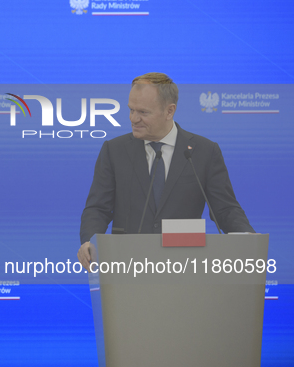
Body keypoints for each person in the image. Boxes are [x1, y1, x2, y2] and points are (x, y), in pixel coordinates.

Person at [78, 73, 254, 269]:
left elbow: (225, 208)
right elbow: (98, 208)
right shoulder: (114, 150)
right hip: (127, 266)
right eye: (131, 110)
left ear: (169, 111)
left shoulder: (204, 152)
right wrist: (89, 241)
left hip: (185, 267)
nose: (133, 118)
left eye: (143, 112)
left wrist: (247, 238)